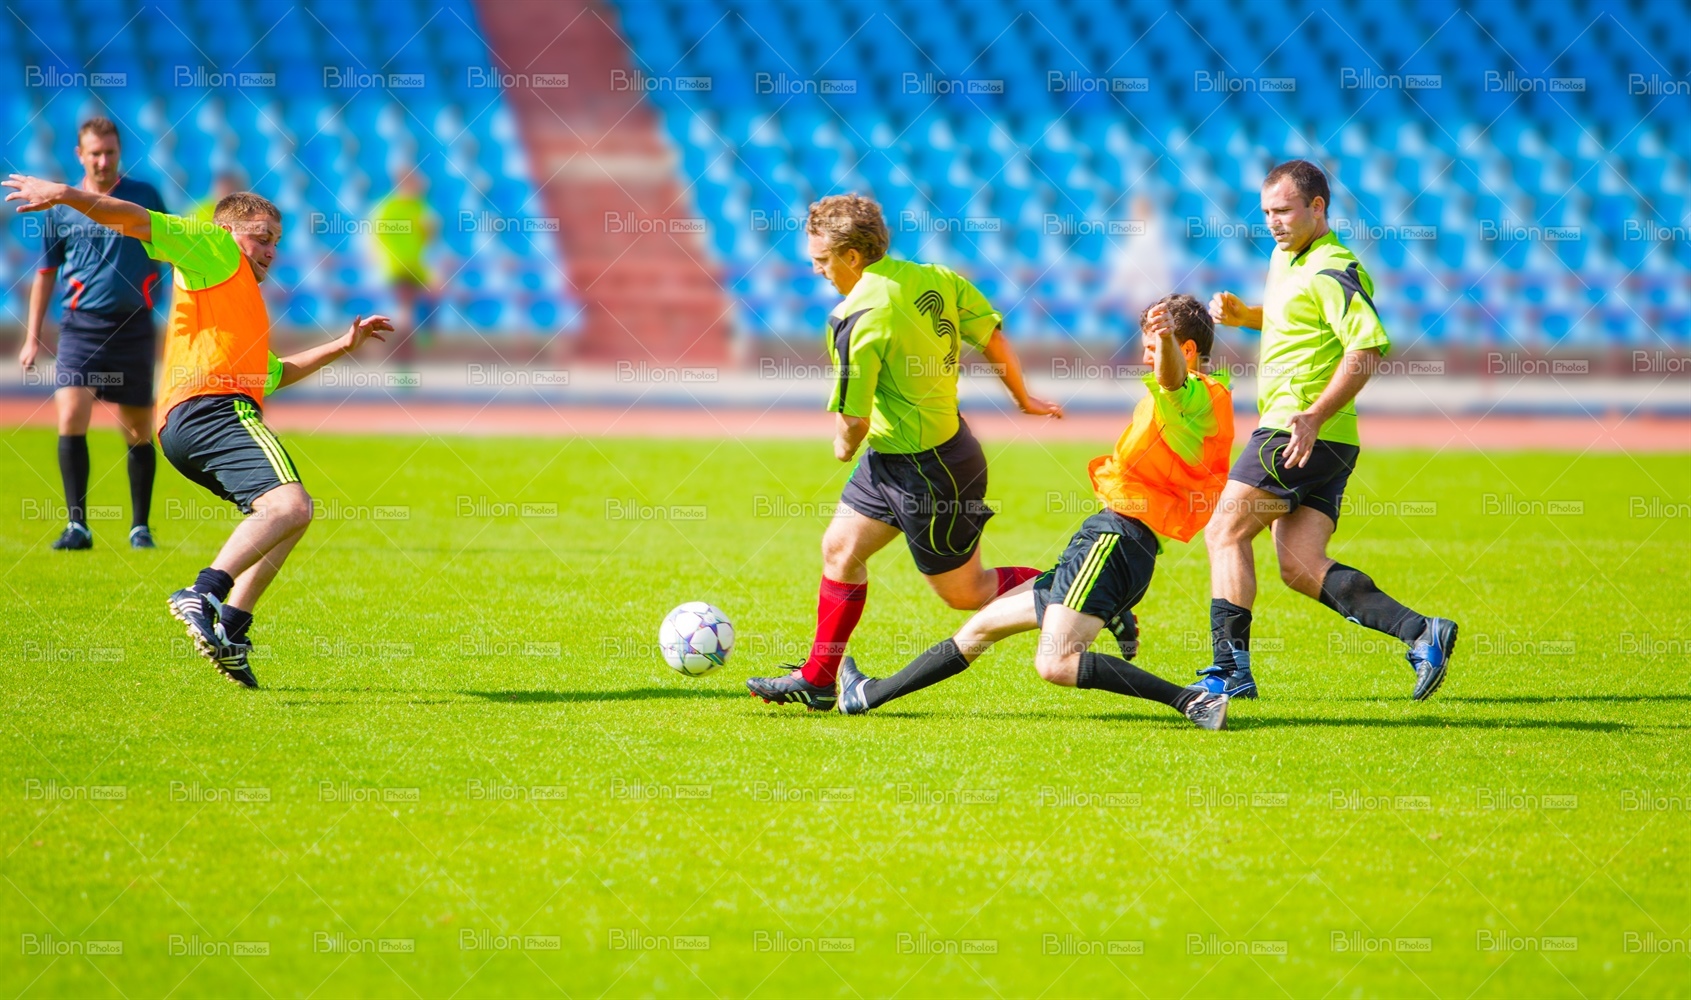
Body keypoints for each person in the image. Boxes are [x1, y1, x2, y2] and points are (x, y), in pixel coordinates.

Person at [5, 174, 392, 688]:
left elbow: (275, 373)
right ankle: (204, 592)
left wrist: (342, 345)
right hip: (212, 409)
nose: (271, 250)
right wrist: (65, 194)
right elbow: (134, 219)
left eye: (276, 241)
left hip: (187, 423)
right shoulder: (213, 247)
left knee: (286, 516)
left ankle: (231, 628)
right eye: (262, 237)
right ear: (229, 231)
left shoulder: (234, 299)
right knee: (291, 506)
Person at [836, 294, 1233, 731]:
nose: (1146, 357)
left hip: (1116, 541)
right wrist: (1165, 344)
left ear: (1186, 349)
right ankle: (866, 695)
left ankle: (1194, 701)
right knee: (981, 627)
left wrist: (1167, 343)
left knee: (1056, 663)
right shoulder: (1201, 399)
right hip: (1113, 541)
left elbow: (1172, 380)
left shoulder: (1196, 395)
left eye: (1152, 348)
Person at [747, 194, 1065, 709]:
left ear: (852, 256)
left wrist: (842, 446)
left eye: (822, 260)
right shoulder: (937, 277)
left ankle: (1084, 593)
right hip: (897, 457)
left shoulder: (855, 316)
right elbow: (992, 336)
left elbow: (852, 421)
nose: (816, 269)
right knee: (840, 550)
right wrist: (1023, 398)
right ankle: (819, 679)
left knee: (966, 593)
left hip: (932, 472)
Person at [1200, 159, 1458, 702]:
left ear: (1317, 207)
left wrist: (1313, 416)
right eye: (1265, 212)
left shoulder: (1333, 267)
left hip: (1295, 431)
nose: (1272, 222)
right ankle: (1422, 632)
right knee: (1300, 565)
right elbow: (1297, 317)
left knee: (1225, 532)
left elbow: (1367, 348)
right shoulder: (1287, 256)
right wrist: (1246, 316)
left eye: (1283, 210)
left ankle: (1229, 671)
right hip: (1325, 440)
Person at [18, 117, 166, 550]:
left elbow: (169, 252)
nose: (103, 161)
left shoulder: (145, 197)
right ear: (79, 155)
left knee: (137, 428)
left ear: (119, 153)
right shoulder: (60, 206)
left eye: (110, 152)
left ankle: (140, 527)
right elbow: (46, 272)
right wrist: (32, 336)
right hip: (80, 326)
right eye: (95, 153)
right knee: (69, 415)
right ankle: (77, 525)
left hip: (134, 326)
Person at [367, 168, 439, 366]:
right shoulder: (390, 207)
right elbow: (377, 238)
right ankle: (401, 354)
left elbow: (429, 233)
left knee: (430, 296)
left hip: (415, 266)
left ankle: (416, 341)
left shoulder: (418, 206)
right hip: (398, 267)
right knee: (406, 312)